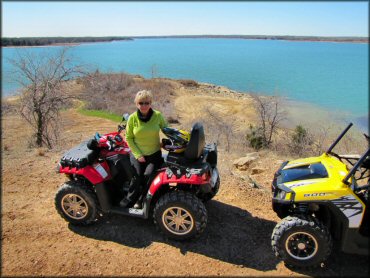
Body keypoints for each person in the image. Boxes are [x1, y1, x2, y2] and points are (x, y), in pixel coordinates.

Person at [120, 90, 168, 209]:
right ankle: (130, 198)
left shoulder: (158, 116)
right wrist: (138, 155)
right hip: (137, 153)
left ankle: (142, 199)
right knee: (136, 176)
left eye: (147, 103)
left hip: (154, 153)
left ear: (150, 103)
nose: (144, 106)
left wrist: (168, 141)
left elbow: (167, 130)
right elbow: (129, 138)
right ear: (137, 104)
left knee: (148, 175)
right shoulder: (132, 118)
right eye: (141, 103)